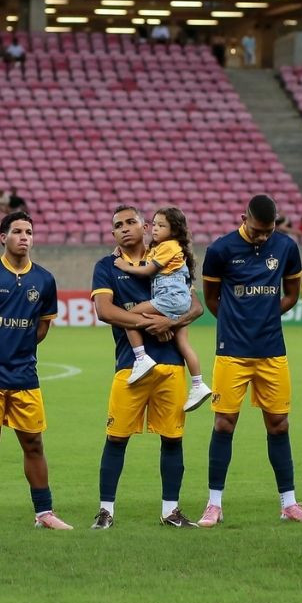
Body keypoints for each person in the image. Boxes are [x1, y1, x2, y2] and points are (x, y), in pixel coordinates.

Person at [196, 196, 302, 526]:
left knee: (279, 424)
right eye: (258, 230)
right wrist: (236, 322)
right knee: (224, 423)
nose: (264, 237)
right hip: (232, 350)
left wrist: (266, 315)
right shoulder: (220, 250)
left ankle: (289, 504)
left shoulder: (286, 248)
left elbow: (292, 292)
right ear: (243, 219)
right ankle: (214, 504)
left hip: (271, 350)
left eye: (269, 231)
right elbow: (211, 298)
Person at [91, 205, 203, 529]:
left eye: (130, 222)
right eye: (117, 225)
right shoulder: (106, 266)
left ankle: (171, 511)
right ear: (112, 234)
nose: (124, 228)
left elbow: (195, 306)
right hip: (130, 365)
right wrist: (149, 321)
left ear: (144, 226)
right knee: (116, 437)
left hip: (170, 364)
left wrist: (172, 320)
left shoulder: (166, 257)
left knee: (172, 439)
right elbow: (105, 311)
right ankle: (105, 511)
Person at [0, 212, 70, 531]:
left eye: (29, 232)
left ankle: (44, 513)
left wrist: (19, 347)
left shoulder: (44, 280)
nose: (25, 237)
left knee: (33, 442)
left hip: (24, 375)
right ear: (2, 236)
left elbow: (43, 325)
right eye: (17, 231)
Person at [112, 207, 210, 410]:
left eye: (161, 225)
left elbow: (147, 269)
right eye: (154, 224)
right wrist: (121, 251)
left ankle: (141, 358)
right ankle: (198, 384)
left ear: (174, 230)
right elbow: (148, 255)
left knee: (129, 316)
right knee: (183, 344)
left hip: (169, 298)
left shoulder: (169, 246)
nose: (155, 229)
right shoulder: (168, 248)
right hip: (179, 301)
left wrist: (124, 265)